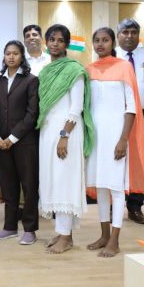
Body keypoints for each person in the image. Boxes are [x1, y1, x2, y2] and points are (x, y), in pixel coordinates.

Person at [86, 27, 144, 257]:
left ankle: (115, 240)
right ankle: (104, 235)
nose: (100, 44)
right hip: (96, 138)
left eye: (105, 40)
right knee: (101, 186)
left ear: (113, 43)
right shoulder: (89, 70)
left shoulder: (124, 67)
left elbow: (131, 107)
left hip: (116, 136)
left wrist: (123, 139)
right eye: (97, 40)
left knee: (117, 188)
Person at [37, 24, 94, 254]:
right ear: (46, 42)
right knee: (52, 181)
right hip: (47, 132)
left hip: (67, 133)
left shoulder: (74, 70)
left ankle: (66, 237)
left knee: (64, 182)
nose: (55, 44)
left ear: (67, 44)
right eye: (52, 39)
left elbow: (76, 107)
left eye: (60, 40)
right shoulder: (45, 71)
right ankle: (62, 233)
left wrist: (64, 136)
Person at [0, 40, 39, 245]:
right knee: (8, 186)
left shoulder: (31, 80)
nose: (11, 57)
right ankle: (9, 227)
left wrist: (12, 138)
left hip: (24, 142)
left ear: (22, 56)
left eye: (15, 53)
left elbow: (32, 114)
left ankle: (30, 229)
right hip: (1, 143)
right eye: (8, 53)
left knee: (29, 186)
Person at [115, 18, 144, 225]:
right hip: (116, 115)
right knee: (115, 157)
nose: (129, 36)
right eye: (125, 32)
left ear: (138, 35)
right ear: (118, 35)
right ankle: (113, 207)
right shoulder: (112, 55)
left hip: (142, 115)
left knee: (138, 161)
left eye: (133, 32)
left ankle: (135, 207)